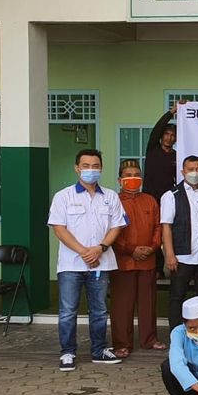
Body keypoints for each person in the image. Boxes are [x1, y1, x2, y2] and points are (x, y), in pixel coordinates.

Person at [48, 149, 127, 371]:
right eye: (86, 166)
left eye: (95, 166)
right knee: (67, 311)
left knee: (100, 309)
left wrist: (100, 249)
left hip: (101, 263)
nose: (91, 170)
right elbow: (59, 229)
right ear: (77, 168)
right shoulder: (63, 196)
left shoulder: (110, 196)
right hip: (71, 264)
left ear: (101, 168)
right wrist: (85, 252)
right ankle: (67, 353)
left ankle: (99, 350)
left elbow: (117, 226)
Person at [110, 159, 163, 357]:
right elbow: (112, 231)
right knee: (122, 305)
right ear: (120, 179)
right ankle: (122, 343)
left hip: (148, 260)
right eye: (128, 175)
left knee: (148, 302)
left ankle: (149, 339)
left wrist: (152, 247)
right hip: (123, 261)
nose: (133, 179)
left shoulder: (150, 200)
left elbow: (158, 226)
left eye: (136, 175)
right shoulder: (114, 201)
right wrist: (131, 250)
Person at [161, 154, 198, 330]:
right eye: (190, 169)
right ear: (183, 171)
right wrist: (170, 255)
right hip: (182, 257)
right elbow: (166, 227)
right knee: (177, 297)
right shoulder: (171, 196)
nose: (194, 173)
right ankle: (176, 335)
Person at [143, 104, 180, 210]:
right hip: (149, 197)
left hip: (167, 198)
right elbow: (158, 127)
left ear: (176, 138)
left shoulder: (176, 156)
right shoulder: (153, 149)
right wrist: (172, 112)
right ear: (161, 136)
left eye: (172, 135)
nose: (169, 137)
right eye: (167, 134)